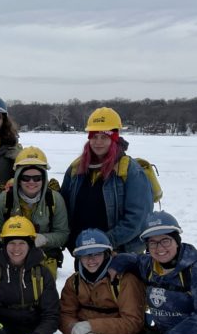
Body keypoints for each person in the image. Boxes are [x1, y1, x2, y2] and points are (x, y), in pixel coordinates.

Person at [50, 229, 145, 334]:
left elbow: (133, 322)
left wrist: (91, 326)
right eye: (85, 255)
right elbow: (65, 313)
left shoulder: (125, 280)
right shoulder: (74, 282)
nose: (91, 260)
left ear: (107, 254)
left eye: (96, 254)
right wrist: (73, 329)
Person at [60, 107, 153, 253]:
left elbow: (138, 218)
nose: (98, 142)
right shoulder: (76, 168)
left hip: (120, 252)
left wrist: (105, 241)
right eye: (94, 137)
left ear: (114, 138)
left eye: (104, 137)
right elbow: (63, 208)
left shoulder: (131, 171)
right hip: (84, 250)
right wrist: (73, 240)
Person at [0, 146, 70, 277]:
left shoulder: (55, 200)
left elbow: (63, 234)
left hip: (43, 259)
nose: (31, 182)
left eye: (37, 178)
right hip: (12, 255)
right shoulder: (3, 199)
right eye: (25, 178)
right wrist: (14, 242)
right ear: (18, 177)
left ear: (44, 178)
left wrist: (44, 239)